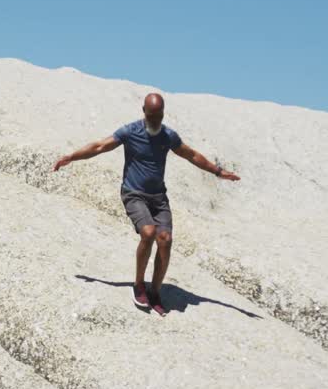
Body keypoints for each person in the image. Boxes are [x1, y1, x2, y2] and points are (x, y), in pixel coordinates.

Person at [52, 93, 241, 315]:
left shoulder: (168, 136)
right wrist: (71, 157)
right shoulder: (130, 132)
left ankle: (155, 291)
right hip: (134, 194)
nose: (154, 121)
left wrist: (218, 172)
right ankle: (139, 284)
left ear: (162, 114)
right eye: (151, 116)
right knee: (149, 232)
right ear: (144, 111)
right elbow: (99, 146)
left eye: (158, 117)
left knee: (166, 239)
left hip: (158, 197)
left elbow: (191, 155)